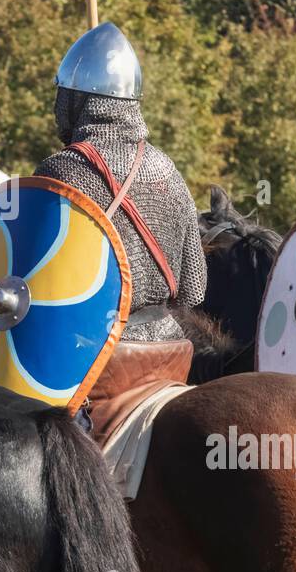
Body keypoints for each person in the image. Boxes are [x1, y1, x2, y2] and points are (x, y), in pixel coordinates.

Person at [33, 22, 206, 344]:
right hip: (167, 349)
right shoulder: (168, 171)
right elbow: (193, 291)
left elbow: (32, 279)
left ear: (75, 101)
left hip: (88, 347)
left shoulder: (62, 172)